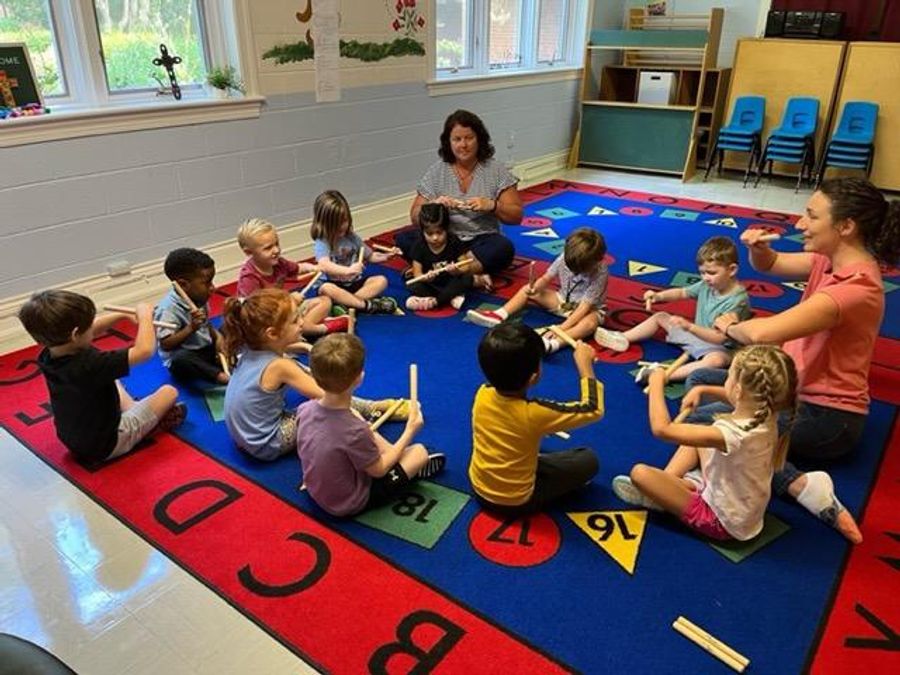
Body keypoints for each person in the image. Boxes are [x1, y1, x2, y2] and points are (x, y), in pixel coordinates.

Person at [687, 178, 899, 543]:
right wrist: (756, 249)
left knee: (703, 423)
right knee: (699, 383)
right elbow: (773, 264)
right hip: (793, 396)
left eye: (811, 216)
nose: (799, 223)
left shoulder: (857, 289)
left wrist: (731, 325)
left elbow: (763, 334)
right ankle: (755, 465)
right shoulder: (828, 259)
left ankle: (799, 484)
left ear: (845, 227)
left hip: (827, 418)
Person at [613, 346, 797, 542]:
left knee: (640, 474)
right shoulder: (767, 412)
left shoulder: (734, 434)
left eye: (728, 376)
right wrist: (703, 388)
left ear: (738, 390)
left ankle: (663, 495)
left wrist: (656, 383)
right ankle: (671, 486)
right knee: (698, 433)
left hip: (721, 522)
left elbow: (662, 429)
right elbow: (745, 398)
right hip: (742, 509)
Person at [221, 289, 407, 461]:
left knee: (299, 370)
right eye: (295, 321)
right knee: (323, 406)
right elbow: (327, 394)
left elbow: (280, 351)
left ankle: (369, 407)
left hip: (244, 437)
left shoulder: (249, 347)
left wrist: (303, 346)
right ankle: (373, 408)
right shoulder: (280, 366)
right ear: (272, 334)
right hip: (266, 443)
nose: (302, 322)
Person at [18, 290, 185, 469]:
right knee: (169, 392)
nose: (93, 327)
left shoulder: (48, 354)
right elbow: (144, 351)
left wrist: (122, 315)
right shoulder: (91, 364)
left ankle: (136, 411)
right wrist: (145, 318)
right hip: (108, 444)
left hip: (73, 439)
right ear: (75, 334)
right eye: (88, 325)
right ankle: (144, 426)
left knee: (111, 378)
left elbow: (88, 330)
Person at [296, 334, 446, 517]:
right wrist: (409, 431)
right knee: (420, 452)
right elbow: (379, 470)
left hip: (315, 488)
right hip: (347, 503)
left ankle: (399, 457)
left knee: (364, 428)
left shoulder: (304, 409)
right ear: (359, 378)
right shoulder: (355, 431)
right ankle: (409, 467)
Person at [469, 323, 603, 515]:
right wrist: (585, 367)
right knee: (588, 459)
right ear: (534, 376)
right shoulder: (535, 414)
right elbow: (593, 408)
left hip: (479, 486)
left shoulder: (483, 393)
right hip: (516, 501)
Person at [593, 235, 751, 382]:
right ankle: (623, 338)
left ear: (732, 270)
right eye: (702, 273)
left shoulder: (738, 300)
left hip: (719, 347)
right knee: (660, 316)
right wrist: (658, 296)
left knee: (716, 361)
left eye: (711, 273)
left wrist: (690, 326)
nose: (705, 278)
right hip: (696, 335)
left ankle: (665, 376)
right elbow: (682, 292)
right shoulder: (706, 285)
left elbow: (720, 338)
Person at [399, 109, 523, 288]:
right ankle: (464, 275)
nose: (463, 145)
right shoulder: (437, 171)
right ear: (448, 143)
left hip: (480, 239)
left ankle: (440, 272)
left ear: (479, 139)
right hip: (443, 240)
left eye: (469, 138)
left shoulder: (496, 170)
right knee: (403, 239)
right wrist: (433, 206)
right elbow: (414, 217)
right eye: (457, 139)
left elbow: (517, 216)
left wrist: (492, 205)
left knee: (503, 248)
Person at [466, 227, 609, 355]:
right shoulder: (564, 257)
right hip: (563, 301)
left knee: (590, 324)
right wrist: (534, 288)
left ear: (598, 260)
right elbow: (546, 278)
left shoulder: (600, 272)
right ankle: (499, 314)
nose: (576, 272)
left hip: (588, 310)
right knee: (527, 289)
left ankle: (554, 344)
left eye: (581, 269)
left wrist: (560, 329)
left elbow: (584, 307)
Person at [236, 217, 347, 337]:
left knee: (324, 301)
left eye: (277, 243)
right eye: (268, 248)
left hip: (285, 311)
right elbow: (256, 313)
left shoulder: (279, 263)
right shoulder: (249, 278)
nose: (276, 250)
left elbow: (298, 267)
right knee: (277, 335)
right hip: (266, 321)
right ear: (249, 252)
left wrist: (313, 267)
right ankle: (320, 329)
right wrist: (289, 301)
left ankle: (303, 328)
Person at [311, 190, 400, 314]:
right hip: (333, 284)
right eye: (336, 224)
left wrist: (387, 256)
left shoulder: (352, 237)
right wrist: (348, 270)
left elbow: (371, 256)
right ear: (324, 224)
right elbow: (324, 265)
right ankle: (366, 305)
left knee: (381, 280)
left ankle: (348, 304)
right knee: (326, 289)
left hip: (353, 284)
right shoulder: (322, 241)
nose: (342, 226)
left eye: (344, 221)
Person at [154, 247, 228, 385]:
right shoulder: (168, 308)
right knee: (181, 359)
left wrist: (218, 338)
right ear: (183, 284)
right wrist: (191, 328)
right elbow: (166, 344)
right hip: (187, 356)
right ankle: (220, 376)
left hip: (204, 348)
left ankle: (229, 358)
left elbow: (206, 325)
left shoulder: (199, 297)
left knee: (229, 326)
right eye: (207, 283)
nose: (213, 287)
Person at [405, 202, 474, 311]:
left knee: (467, 279)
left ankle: (434, 301)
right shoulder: (419, 245)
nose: (435, 238)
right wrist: (426, 278)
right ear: (422, 231)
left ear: (446, 229)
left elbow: (465, 266)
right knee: (411, 281)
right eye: (429, 234)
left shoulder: (453, 241)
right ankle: (450, 297)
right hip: (431, 285)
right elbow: (417, 273)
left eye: (439, 232)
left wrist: (455, 271)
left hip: (450, 281)